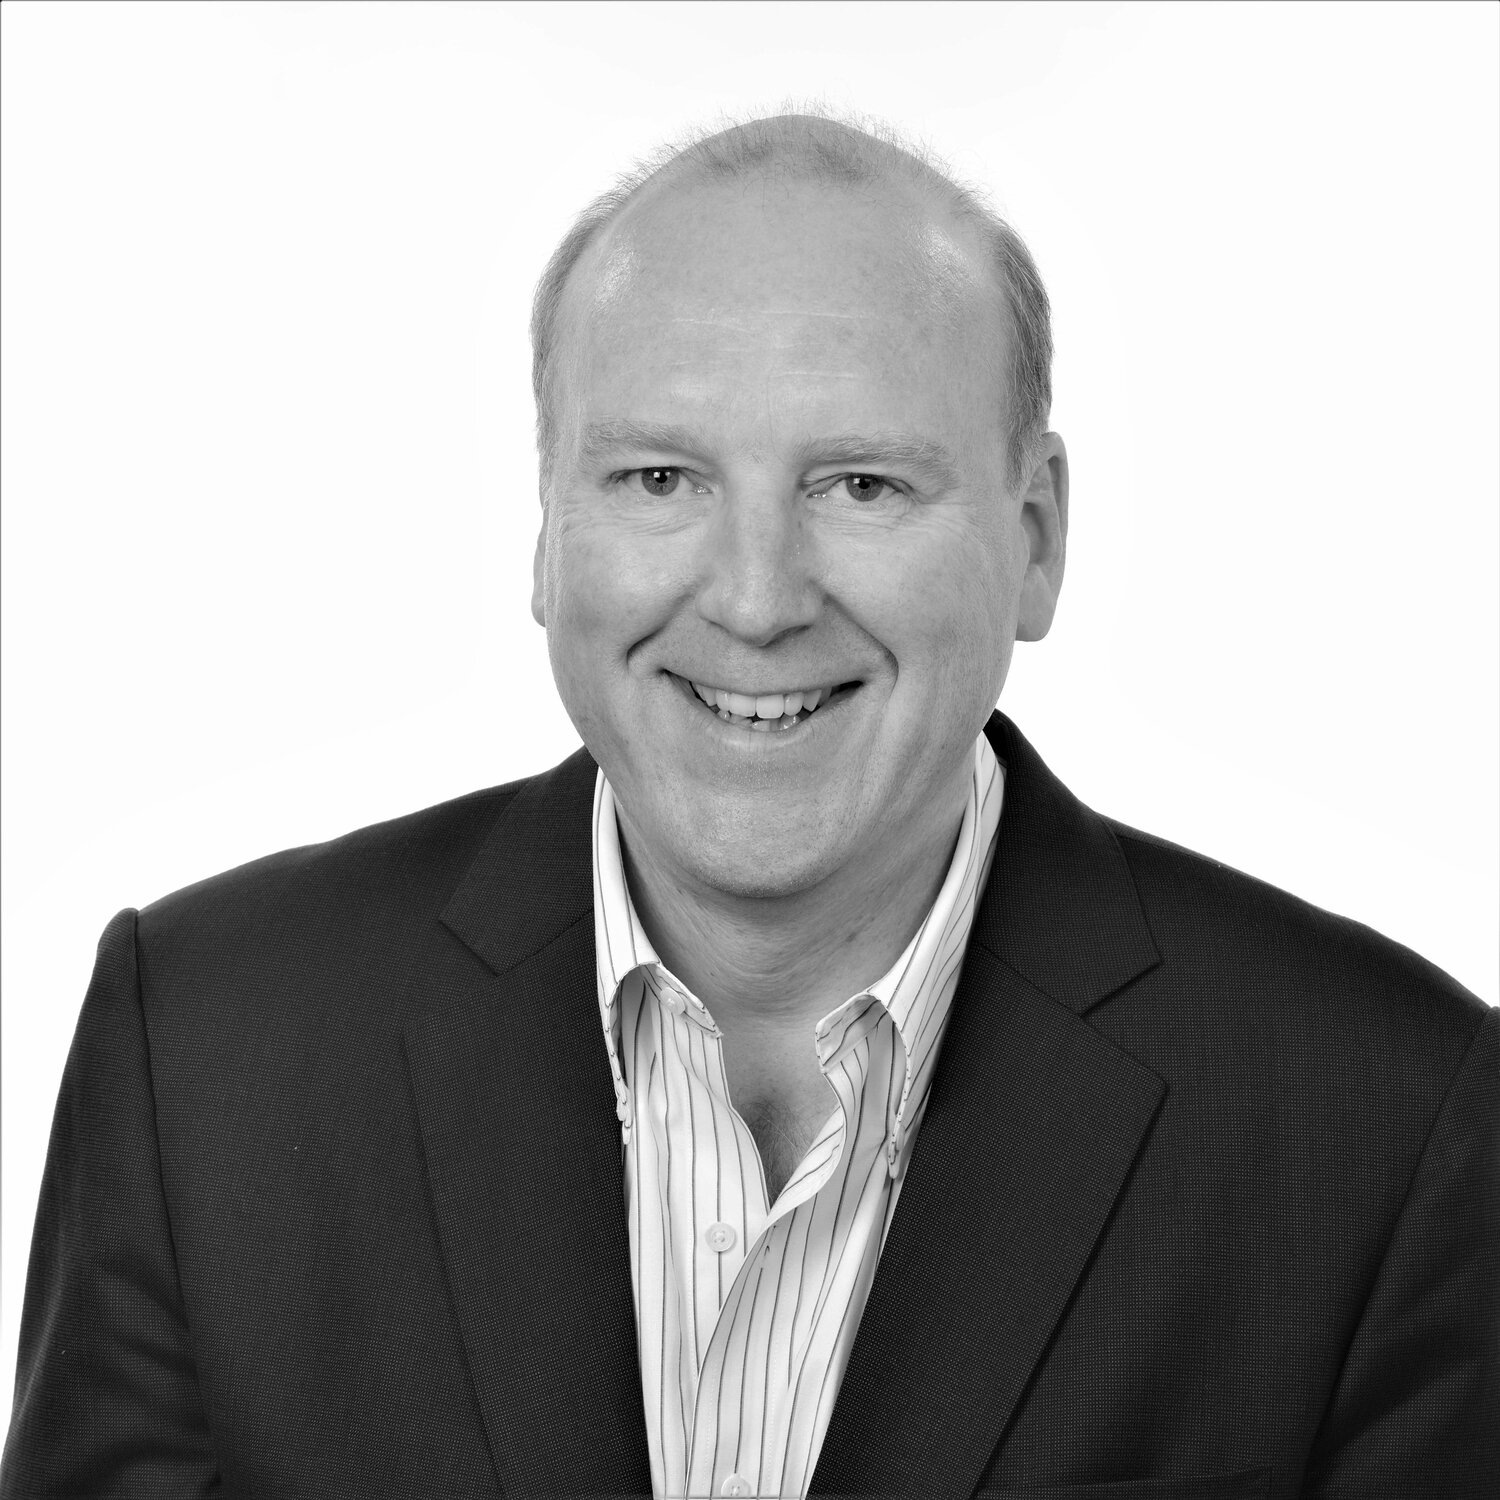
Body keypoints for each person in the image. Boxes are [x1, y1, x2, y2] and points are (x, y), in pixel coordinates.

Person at [2, 108, 1494, 1500]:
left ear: (1037, 538)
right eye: (660, 478)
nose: (758, 598)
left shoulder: (1392, 1121)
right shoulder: (203, 1051)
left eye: (862, 485)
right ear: (547, 531)